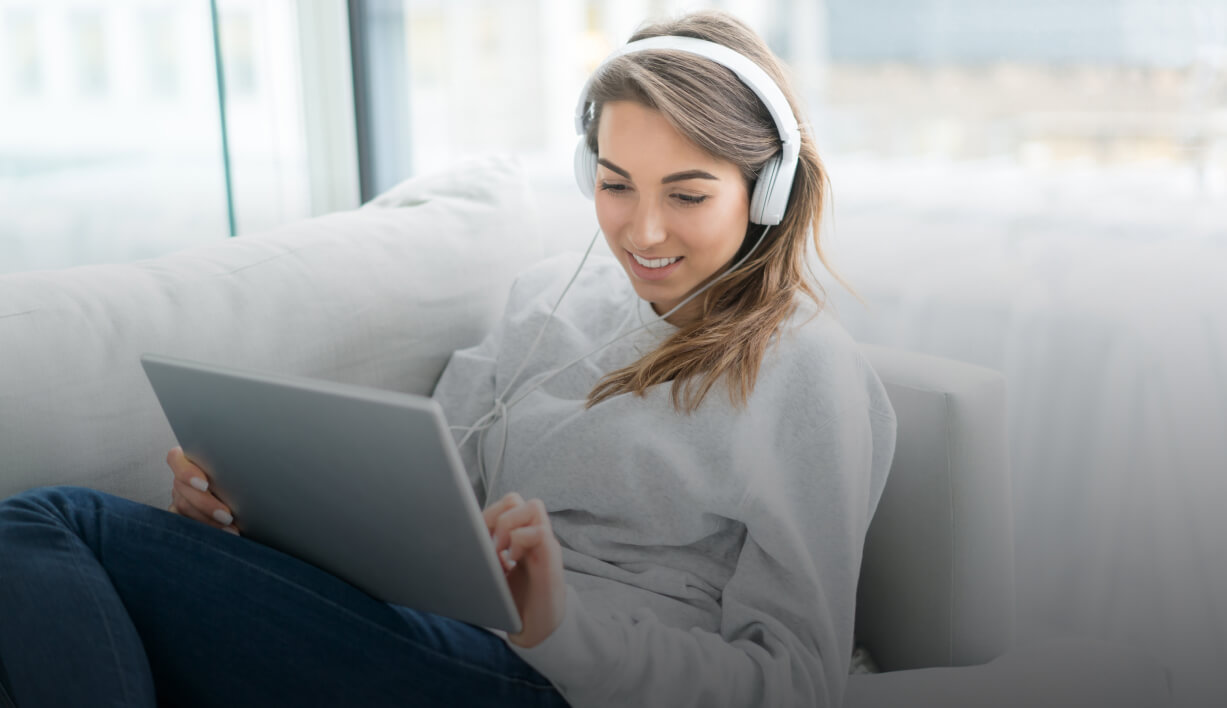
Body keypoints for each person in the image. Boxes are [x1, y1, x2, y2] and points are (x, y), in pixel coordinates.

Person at [0, 10, 895, 708]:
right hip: (430, 630)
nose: (644, 230)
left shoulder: (806, 372)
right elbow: (427, 507)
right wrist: (251, 519)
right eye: (616, 185)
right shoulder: (546, 303)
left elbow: (795, 683)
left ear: (767, 188)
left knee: (48, 525)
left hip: (557, 682)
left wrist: (560, 629)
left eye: (688, 194)